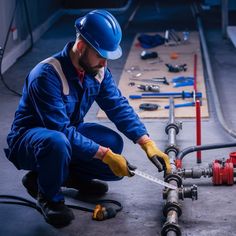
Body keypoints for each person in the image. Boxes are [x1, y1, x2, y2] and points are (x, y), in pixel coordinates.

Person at [4, 9, 171, 227]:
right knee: (57, 142)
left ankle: (62, 176)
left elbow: (117, 106)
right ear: (81, 47)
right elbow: (60, 130)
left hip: (64, 137)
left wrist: (146, 142)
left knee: (112, 142)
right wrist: (104, 155)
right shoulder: (46, 75)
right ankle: (49, 197)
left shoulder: (97, 70)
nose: (104, 63)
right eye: (101, 56)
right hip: (30, 141)